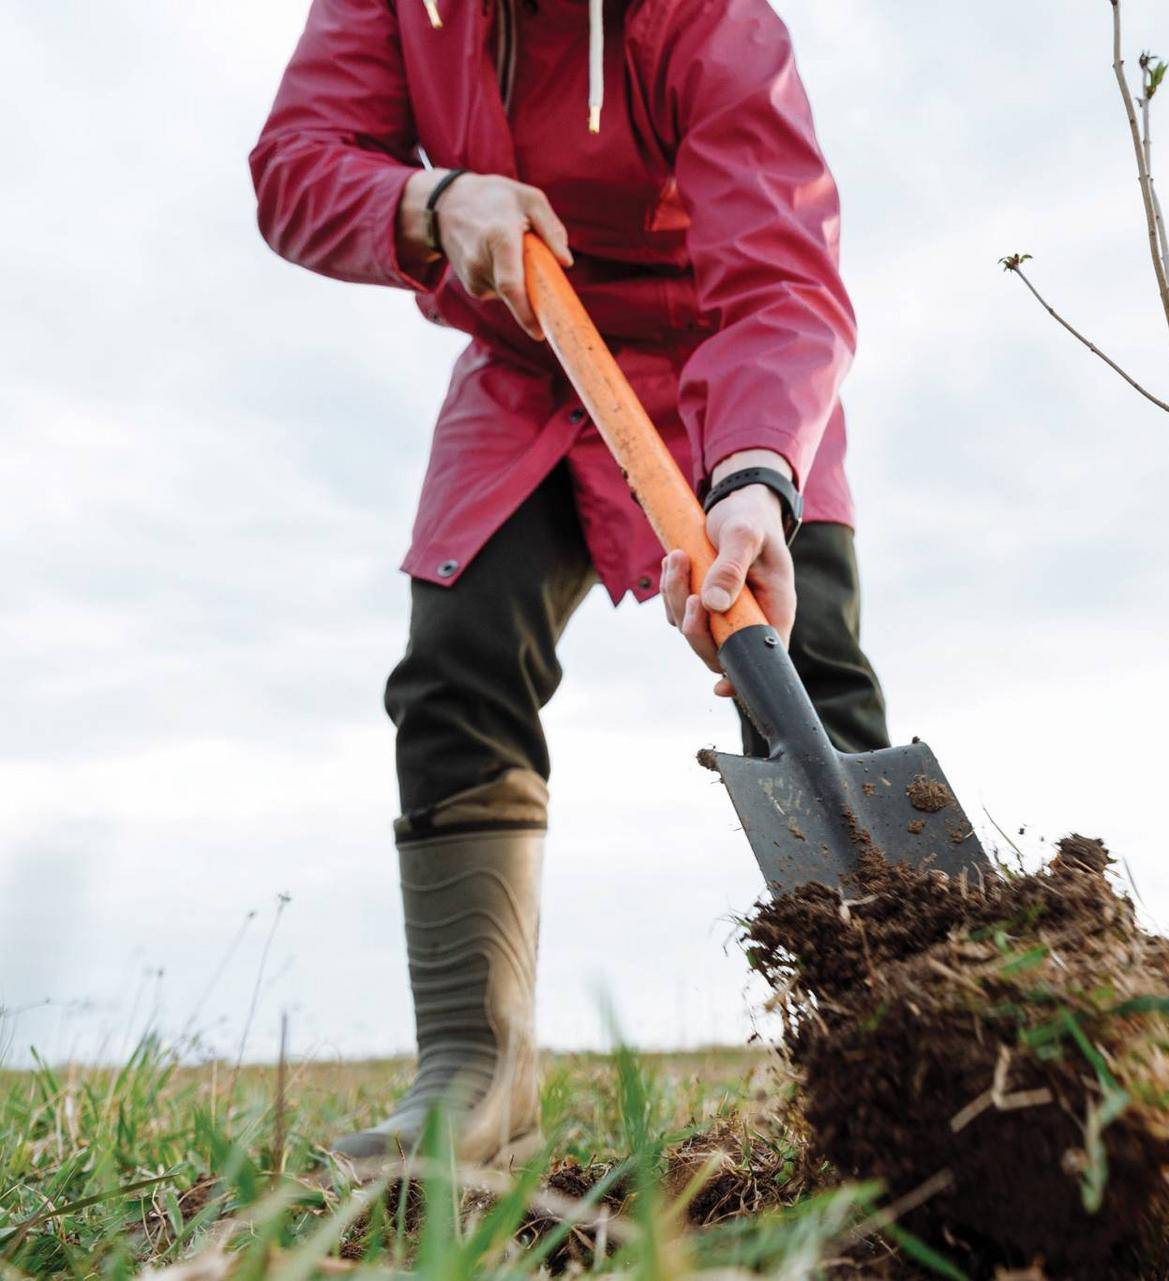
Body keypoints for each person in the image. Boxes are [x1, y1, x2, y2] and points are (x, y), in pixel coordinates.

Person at [250, 0, 886, 1167]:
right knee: (458, 659)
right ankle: (475, 1080)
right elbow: (294, 169)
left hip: (722, 365)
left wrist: (754, 479)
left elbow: (781, 280)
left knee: (802, 673)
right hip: (531, 363)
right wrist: (429, 201)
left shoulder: (709, 23)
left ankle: (890, 1054)